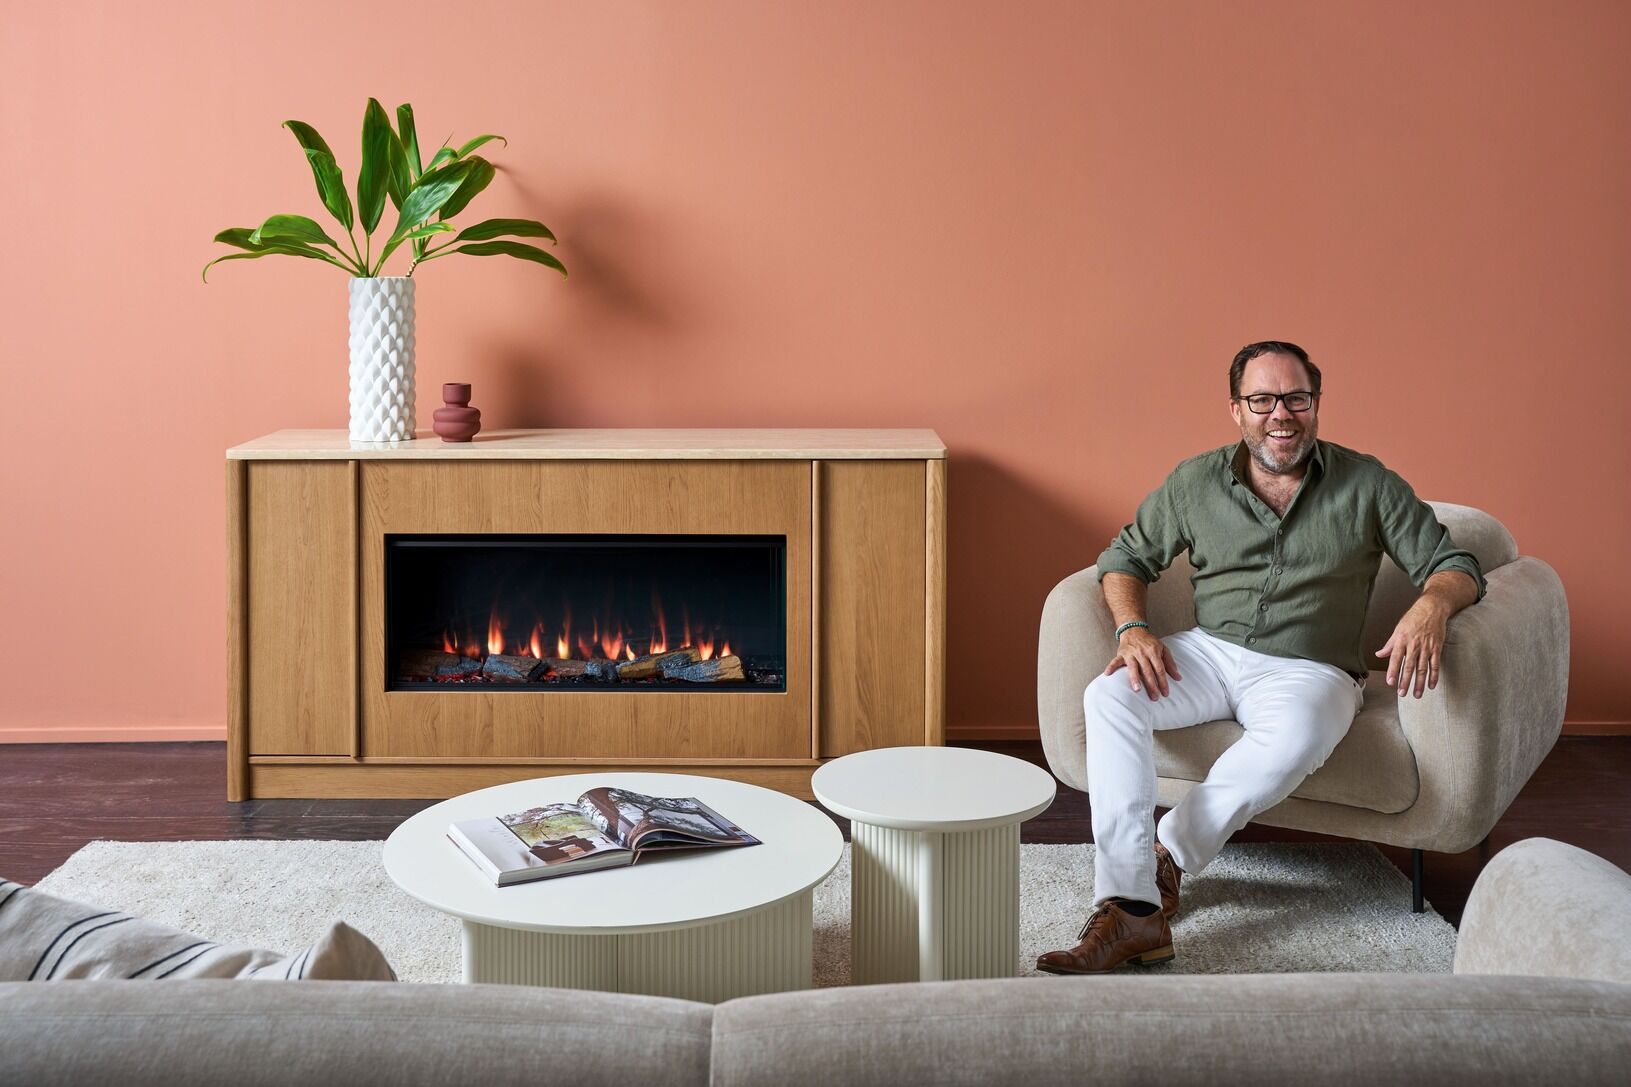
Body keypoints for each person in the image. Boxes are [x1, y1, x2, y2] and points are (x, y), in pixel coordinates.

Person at [1036, 341, 1484, 975]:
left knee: (1296, 735)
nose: (1281, 414)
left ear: (1316, 405)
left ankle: (1166, 856)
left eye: (1296, 398)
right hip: (1211, 651)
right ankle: (1132, 907)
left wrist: (1432, 606)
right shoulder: (1195, 481)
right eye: (1262, 399)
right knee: (1109, 695)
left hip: (1314, 670)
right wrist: (1133, 627)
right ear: (1236, 410)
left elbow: (1454, 564)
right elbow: (1125, 560)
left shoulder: (1369, 483)